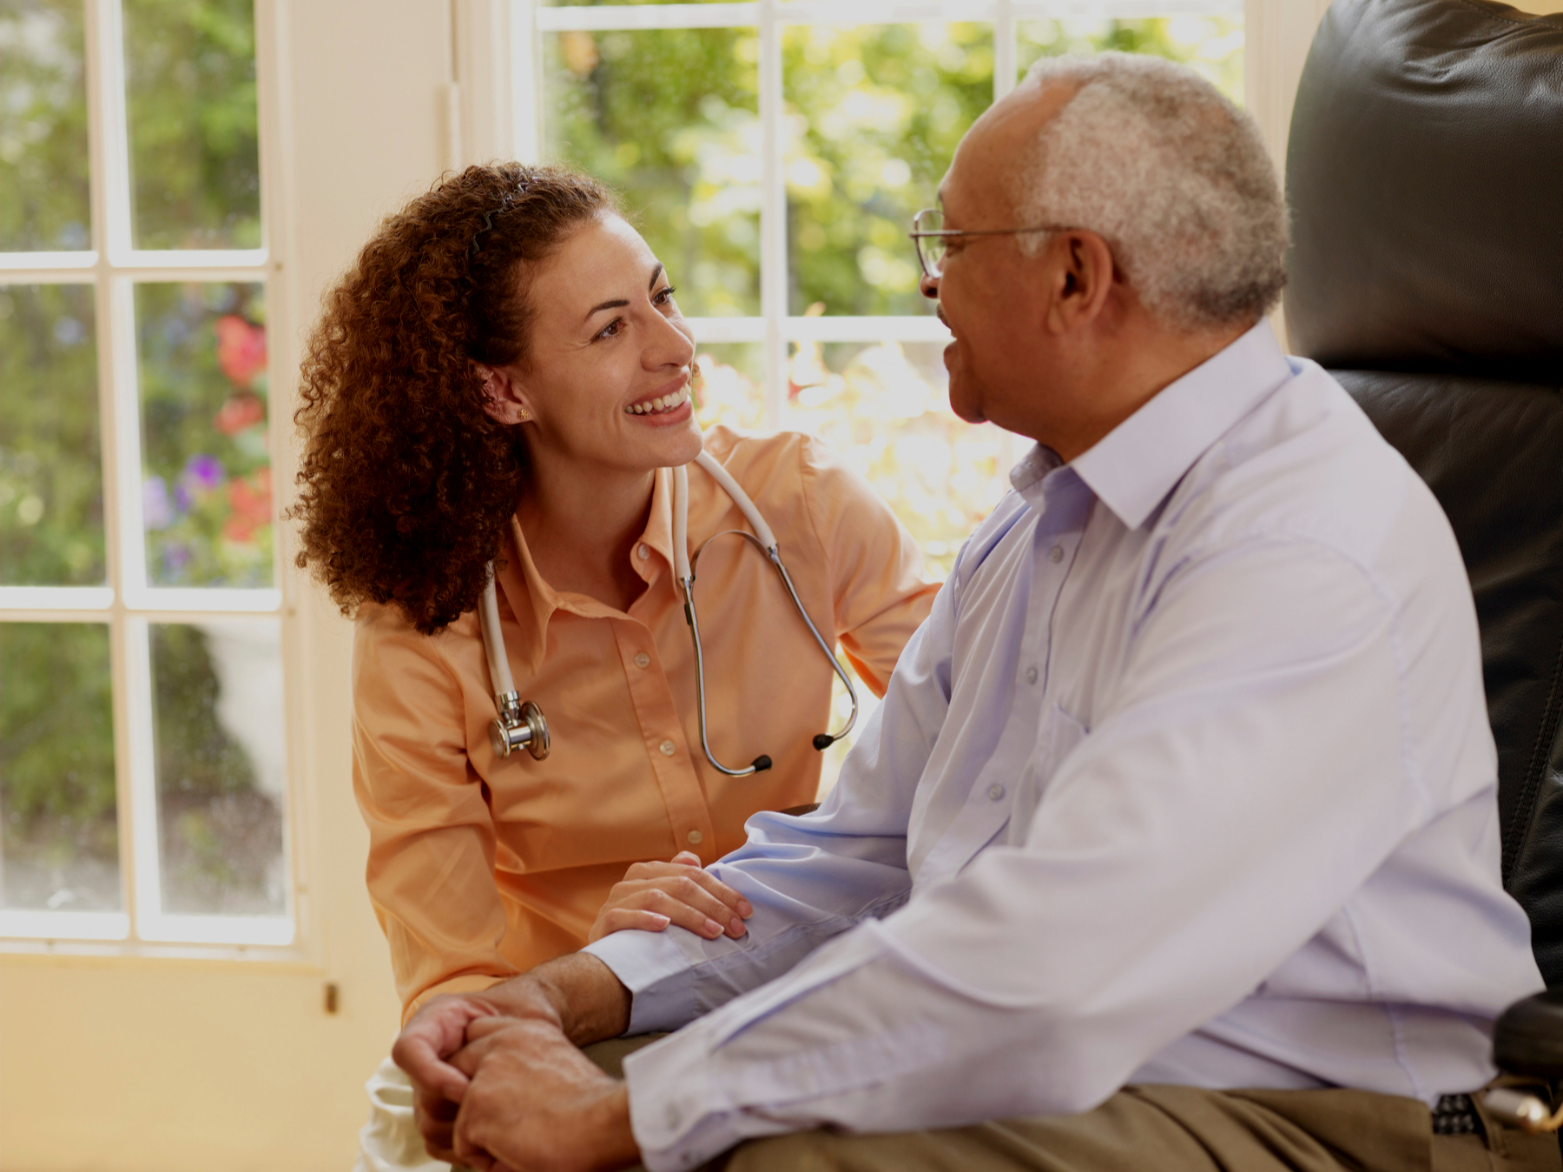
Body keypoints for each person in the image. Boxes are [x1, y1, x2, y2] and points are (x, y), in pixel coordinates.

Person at [391, 53, 1555, 1172]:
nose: (926, 279)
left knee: (763, 1147)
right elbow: (860, 854)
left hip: (1351, 1120)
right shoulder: (1044, 518)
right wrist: (564, 991)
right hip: (1114, 1072)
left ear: (1074, 277)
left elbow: (1056, 962)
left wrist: (624, 1115)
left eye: (947, 240)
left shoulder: (1300, 546)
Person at [288, 164, 937, 1171]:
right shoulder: (427, 626)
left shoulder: (803, 507)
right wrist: (595, 957)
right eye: (610, 328)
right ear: (501, 389)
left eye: (663, 298)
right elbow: (452, 976)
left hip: (793, 995)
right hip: (554, 1027)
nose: (675, 347)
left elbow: (985, 737)